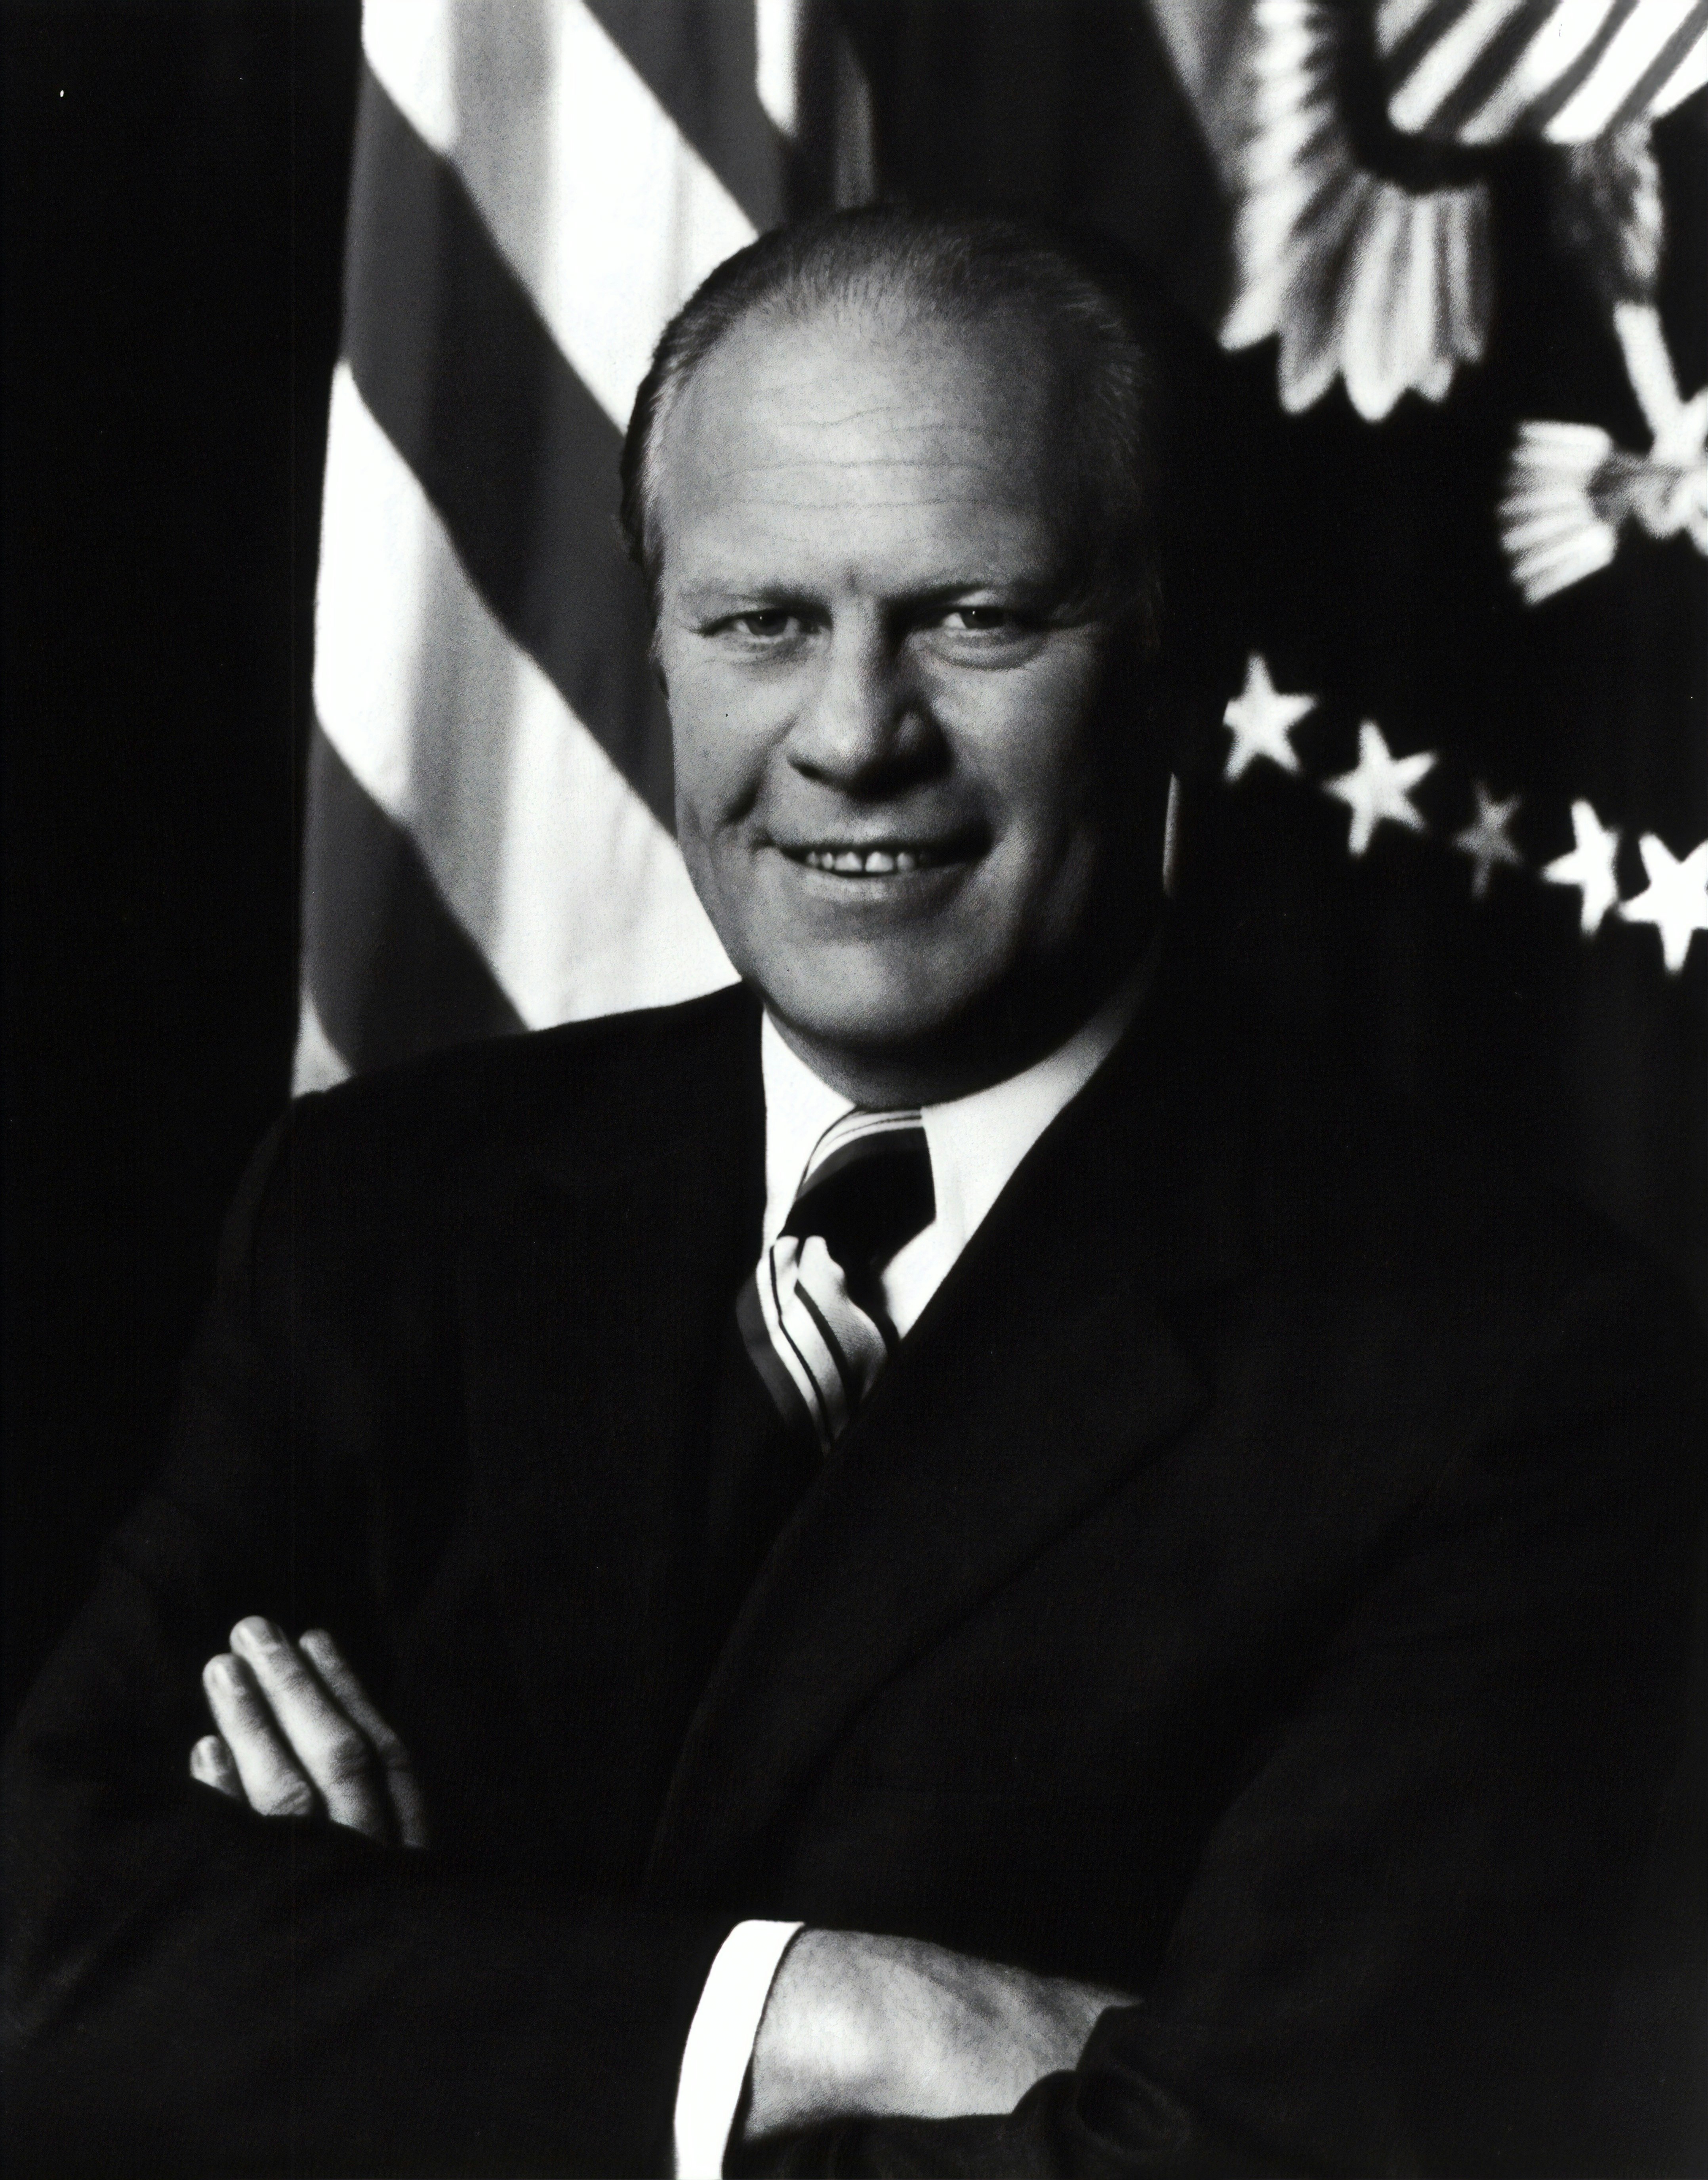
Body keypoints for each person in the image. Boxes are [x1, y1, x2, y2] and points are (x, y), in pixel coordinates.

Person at [4, 209, 1702, 2180]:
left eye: (976, 615)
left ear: (1175, 665)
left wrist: (367, 2008)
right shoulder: (384, 1208)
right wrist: (850, 2011)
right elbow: (41, 1963)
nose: (849, 736)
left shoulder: (1510, 1369)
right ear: (654, 642)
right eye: (760, 622)